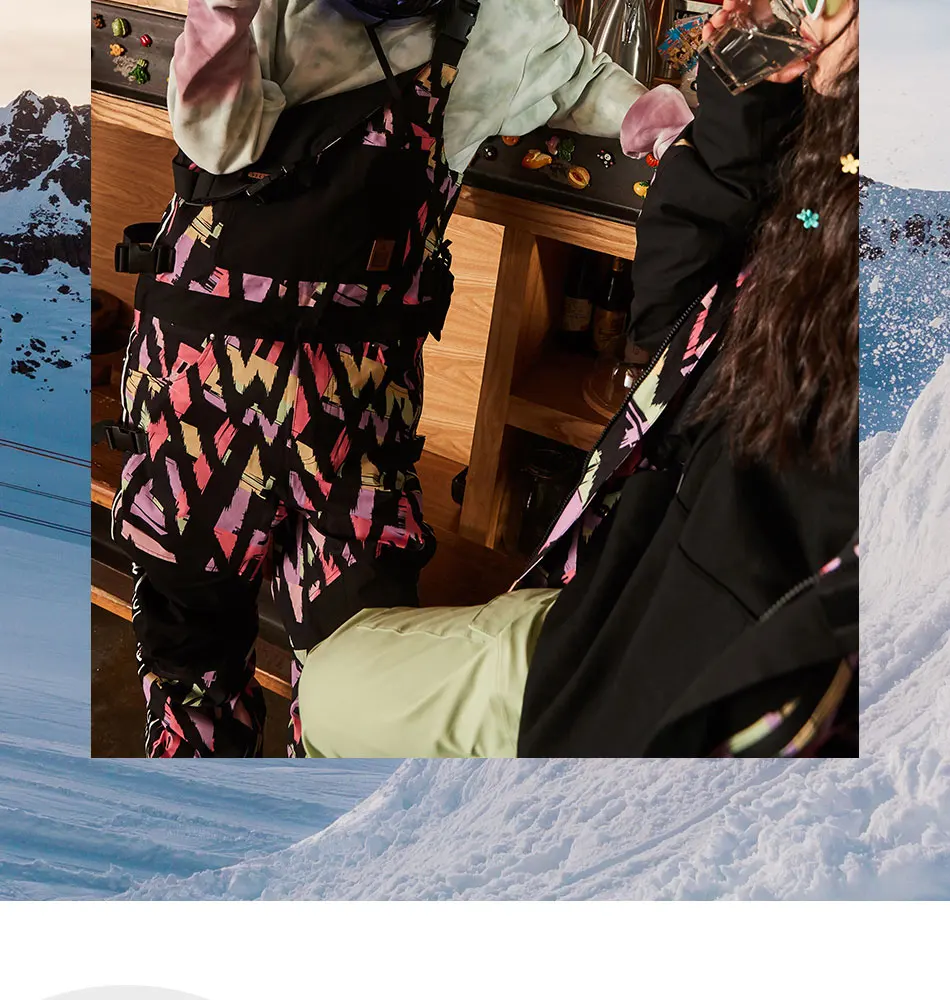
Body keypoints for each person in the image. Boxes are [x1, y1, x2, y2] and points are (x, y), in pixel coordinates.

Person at [106, 0, 692, 757]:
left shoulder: (498, 19)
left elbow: (575, 76)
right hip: (202, 400)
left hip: (348, 416)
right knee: (190, 648)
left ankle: (329, 826)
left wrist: (654, 115)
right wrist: (222, 19)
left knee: (361, 667)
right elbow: (218, 137)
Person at [297, 0, 860, 758]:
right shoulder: (824, 218)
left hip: (639, 679)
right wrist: (748, 92)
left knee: (329, 689)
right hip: (617, 591)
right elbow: (669, 320)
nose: (812, 16)